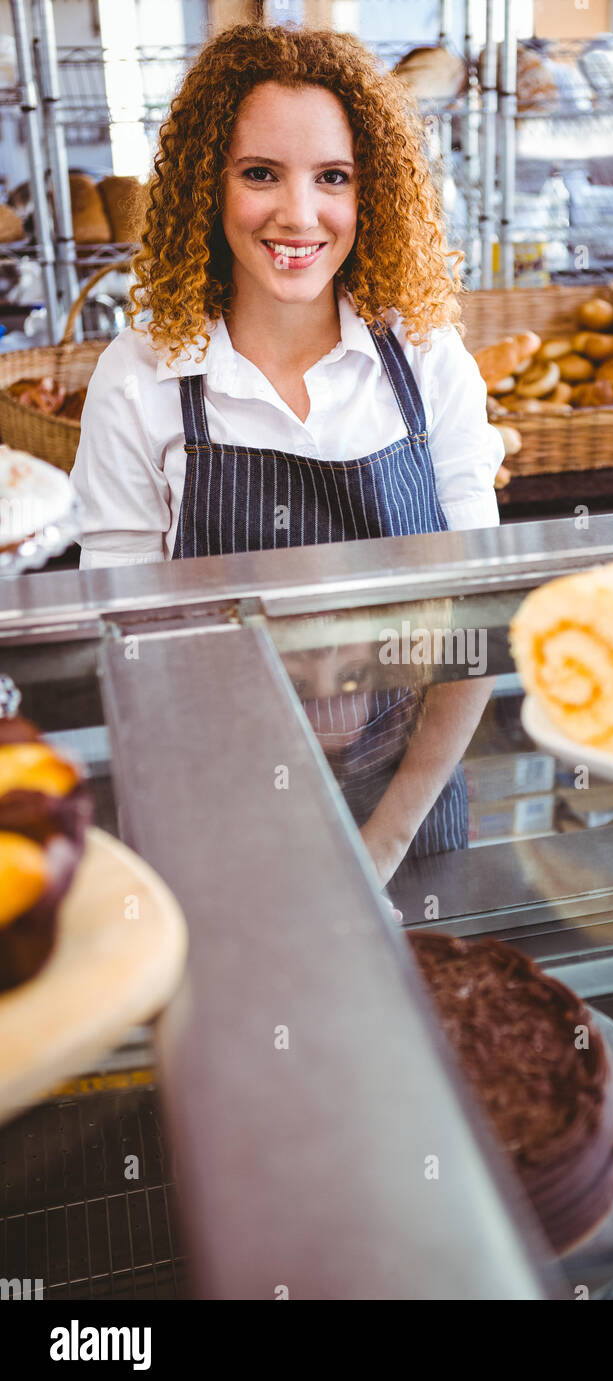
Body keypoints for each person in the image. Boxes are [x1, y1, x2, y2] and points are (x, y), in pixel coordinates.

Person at [71, 22, 501, 887]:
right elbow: (129, 654)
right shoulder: (140, 378)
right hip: (215, 811)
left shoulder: (425, 358)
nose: (298, 215)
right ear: (208, 183)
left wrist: (382, 841)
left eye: (332, 177)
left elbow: (477, 624)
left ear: (369, 190)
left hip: (408, 807)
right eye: (260, 172)